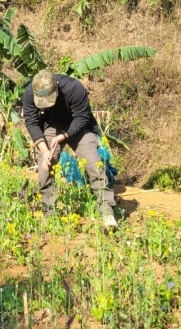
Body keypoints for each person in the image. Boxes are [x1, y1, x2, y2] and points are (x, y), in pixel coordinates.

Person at [22, 69, 118, 228]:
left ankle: (107, 212)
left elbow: (82, 117)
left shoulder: (74, 88)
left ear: (57, 86)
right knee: (45, 168)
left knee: (94, 164)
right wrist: (45, 151)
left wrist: (63, 136)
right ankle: (50, 212)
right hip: (52, 126)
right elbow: (32, 122)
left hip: (79, 126)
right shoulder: (29, 93)